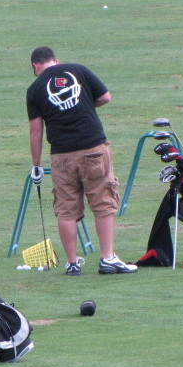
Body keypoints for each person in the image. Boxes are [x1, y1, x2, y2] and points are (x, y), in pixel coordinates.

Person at [26, 46, 137, 275]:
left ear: (36, 65)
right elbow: (105, 97)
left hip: (61, 155)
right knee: (103, 202)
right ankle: (107, 258)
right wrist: (84, 102)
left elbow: (36, 132)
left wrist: (36, 165)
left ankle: (72, 263)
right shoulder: (78, 70)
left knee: (66, 209)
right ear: (56, 60)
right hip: (93, 148)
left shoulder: (35, 88)